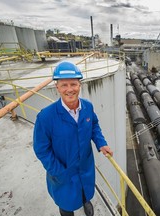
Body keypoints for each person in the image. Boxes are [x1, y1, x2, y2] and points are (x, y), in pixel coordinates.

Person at [33, 61, 113, 216]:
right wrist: (59, 172)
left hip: (85, 166)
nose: (69, 89)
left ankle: (85, 202)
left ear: (79, 85)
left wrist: (101, 143)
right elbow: (42, 150)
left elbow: (94, 125)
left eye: (73, 84)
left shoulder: (87, 107)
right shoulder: (45, 117)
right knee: (66, 203)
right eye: (64, 85)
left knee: (85, 190)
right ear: (57, 87)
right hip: (62, 171)